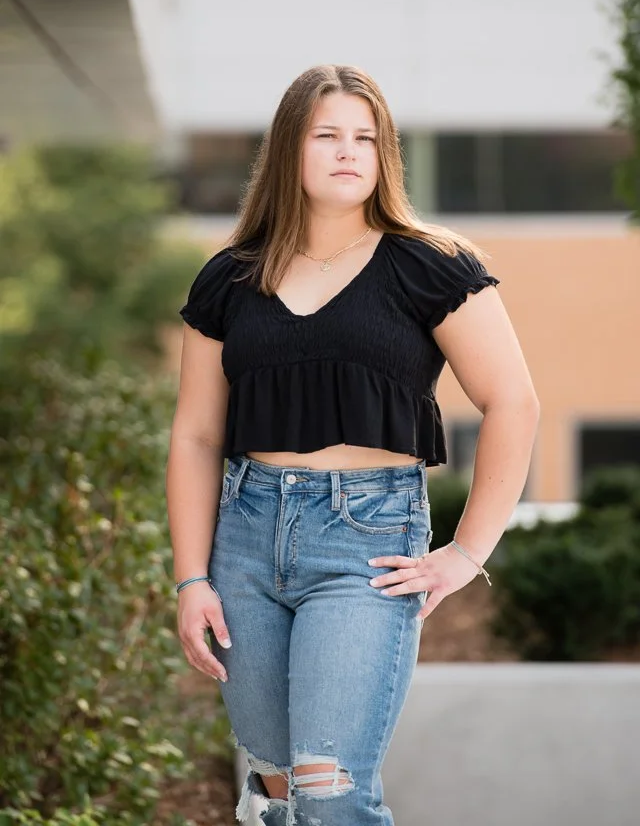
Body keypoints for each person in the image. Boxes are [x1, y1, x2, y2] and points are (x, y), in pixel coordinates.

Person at [166, 64, 540, 826]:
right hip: (244, 543)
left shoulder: (431, 264)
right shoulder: (231, 278)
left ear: (385, 154)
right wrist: (190, 579)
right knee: (273, 789)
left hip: (366, 547)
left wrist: (468, 553)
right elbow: (198, 434)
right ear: (287, 151)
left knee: (329, 788)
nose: (349, 151)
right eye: (327, 135)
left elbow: (514, 403)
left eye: (366, 137)